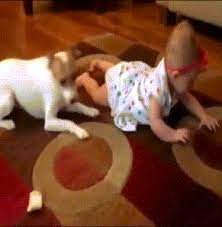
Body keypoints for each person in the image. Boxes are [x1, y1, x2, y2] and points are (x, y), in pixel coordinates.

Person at [75, 21, 219, 143]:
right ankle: (85, 79)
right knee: (98, 96)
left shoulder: (172, 76)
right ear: (175, 75)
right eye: (191, 81)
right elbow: (156, 124)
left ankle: (102, 64)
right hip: (123, 92)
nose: (192, 85)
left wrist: (203, 115)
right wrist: (173, 134)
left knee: (121, 71)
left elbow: (187, 98)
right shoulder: (156, 95)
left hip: (133, 76)